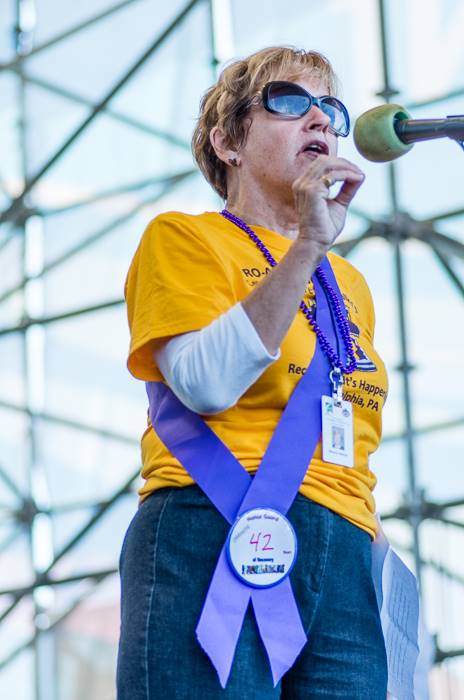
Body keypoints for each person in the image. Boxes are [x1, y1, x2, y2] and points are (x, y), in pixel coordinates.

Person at [117, 46, 390, 699]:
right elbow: (204, 385)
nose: (319, 121)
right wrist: (307, 249)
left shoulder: (350, 283)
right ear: (228, 141)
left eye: (330, 109)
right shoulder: (184, 238)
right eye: (291, 102)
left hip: (345, 549)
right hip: (212, 521)